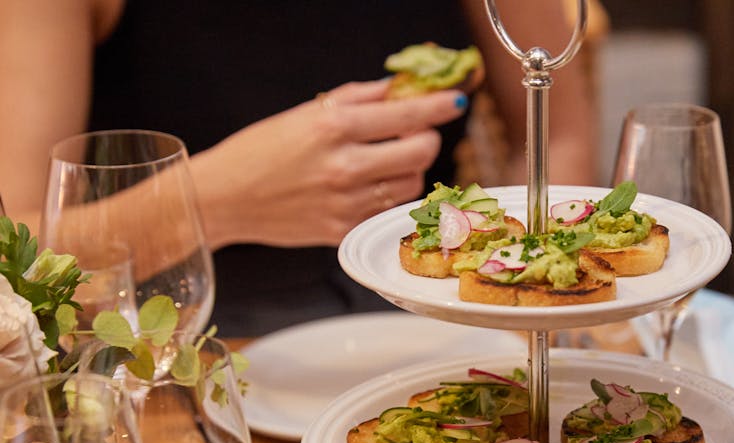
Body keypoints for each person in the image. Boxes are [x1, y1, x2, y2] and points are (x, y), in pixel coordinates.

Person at [0, 0, 599, 335]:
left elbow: (557, 132)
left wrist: (512, 303)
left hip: (435, 328)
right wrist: (210, 203)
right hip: (172, 351)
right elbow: (17, 262)